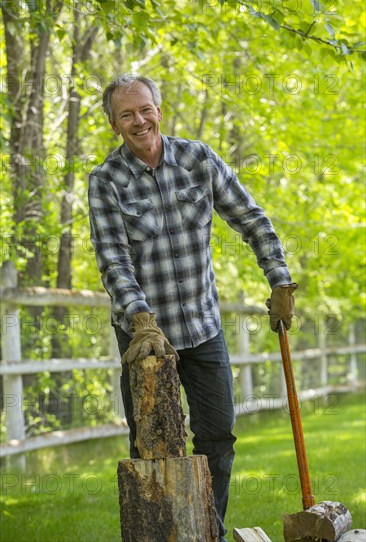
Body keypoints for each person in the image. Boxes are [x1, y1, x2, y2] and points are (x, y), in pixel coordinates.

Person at [88, 74, 297, 541]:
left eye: (145, 109)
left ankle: (209, 532)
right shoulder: (106, 181)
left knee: (218, 438)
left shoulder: (198, 159)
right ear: (113, 124)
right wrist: (141, 318)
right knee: (152, 450)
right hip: (145, 341)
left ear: (159, 111)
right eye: (126, 114)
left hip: (202, 327)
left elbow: (251, 218)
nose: (139, 121)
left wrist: (280, 279)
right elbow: (113, 260)